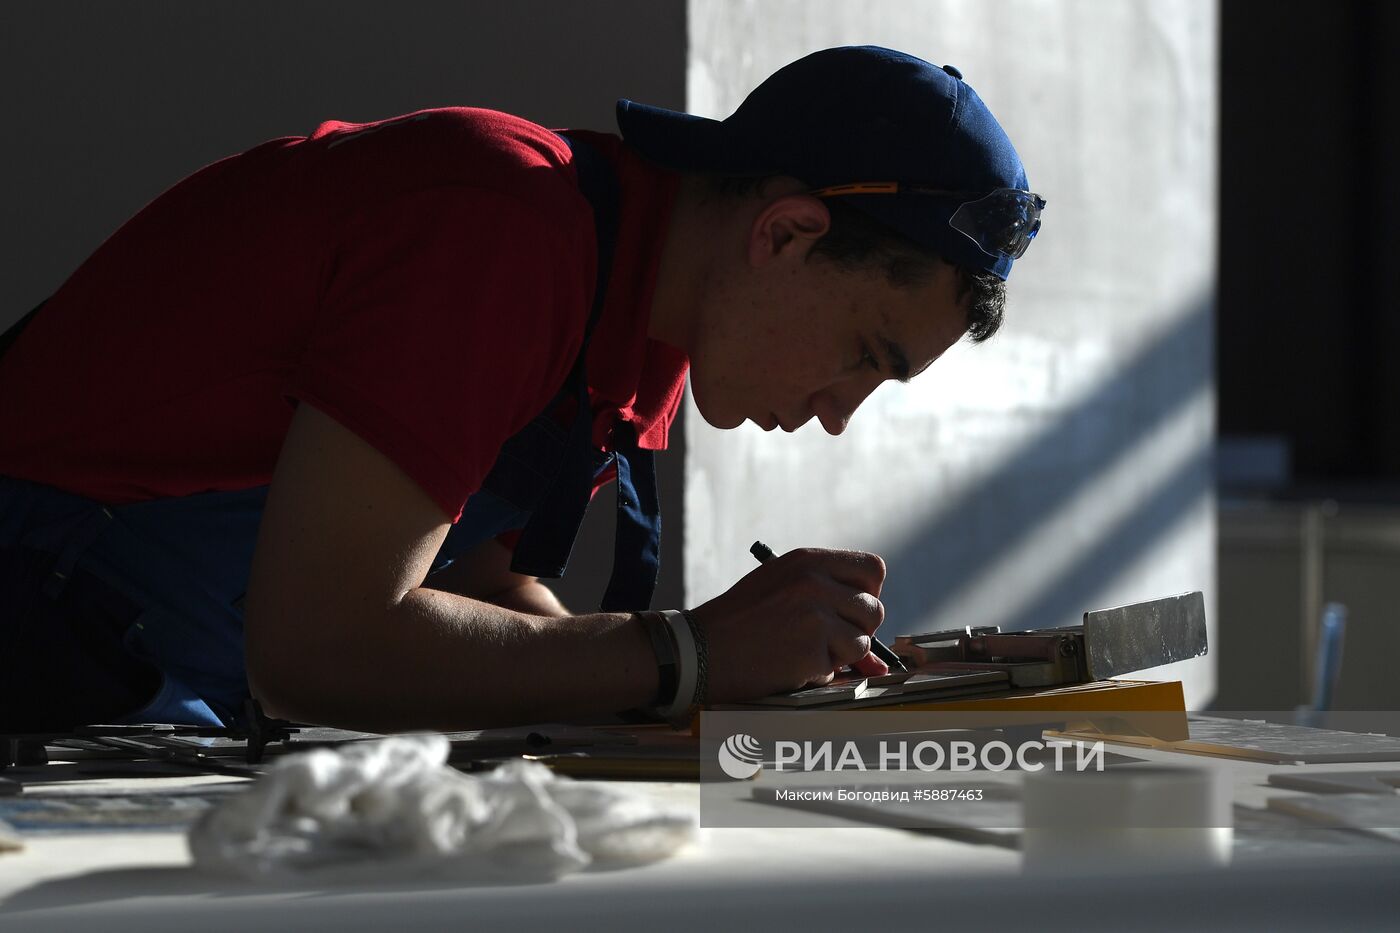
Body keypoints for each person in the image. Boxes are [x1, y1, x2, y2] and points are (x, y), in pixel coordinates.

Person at [0, 46, 1042, 734]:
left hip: (143, 691)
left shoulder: (641, 324)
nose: (836, 412)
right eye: (866, 352)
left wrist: (731, 688)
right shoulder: (500, 225)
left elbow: (479, 595)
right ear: (782, 233)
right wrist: (686, 654)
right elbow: (318, 646)